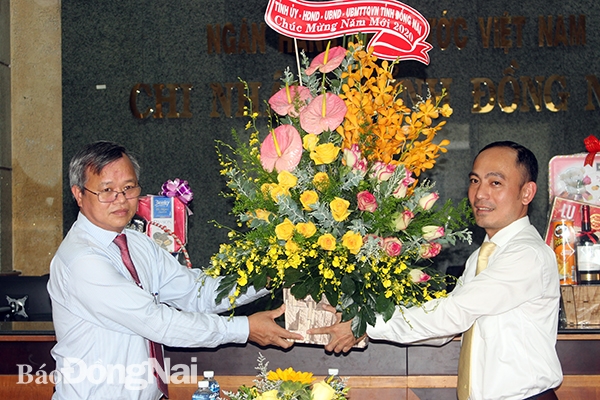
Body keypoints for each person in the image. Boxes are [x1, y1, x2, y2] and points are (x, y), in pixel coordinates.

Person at [48, 141, 303, 400]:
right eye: (107, 191)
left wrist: (269, 276)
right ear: (79, 194)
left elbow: (196, 293)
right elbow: (157, 321)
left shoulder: (137, 242)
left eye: (128, 187)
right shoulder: (81, 259)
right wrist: (244, 329)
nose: (121, 199)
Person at [310, 141, 563, 400]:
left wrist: (366, 324)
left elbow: (454, 314)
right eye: (475, 181)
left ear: (527, 193)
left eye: (495, 183)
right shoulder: (484, 254)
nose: (480, 194)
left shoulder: (527, 254)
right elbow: (445, 329)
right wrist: (367, 320)